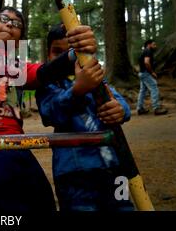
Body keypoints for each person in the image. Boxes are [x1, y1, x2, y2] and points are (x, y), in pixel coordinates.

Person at [0, 7, 98, 212]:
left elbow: (46, 72)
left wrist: (77, 50)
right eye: (4, 19)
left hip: (14, 145)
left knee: (43, 201)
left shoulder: (17, 66)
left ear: (18, 41)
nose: (10, 24)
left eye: (17, 24)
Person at [35, 23, 134, 211]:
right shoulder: (48, 83)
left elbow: (117, 100)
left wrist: (120, 109)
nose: (65, 59)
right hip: (74, 172)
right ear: (47, 55)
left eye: (70, 53)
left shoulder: (95, 77)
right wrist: (77, 90)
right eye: (57, 52)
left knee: (123, 207)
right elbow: (50, 113)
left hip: (114, 166)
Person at [136, 40, 168, 115]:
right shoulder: (148, 51)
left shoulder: (144, 51)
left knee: (142, 91)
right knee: (154, 88)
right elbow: (146, 62)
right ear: (148, 45)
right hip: (145, 73)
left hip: (142, 73)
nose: (155, 46)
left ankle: (140, 108)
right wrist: (152, 72)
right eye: (154, 44)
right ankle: (156, 108)